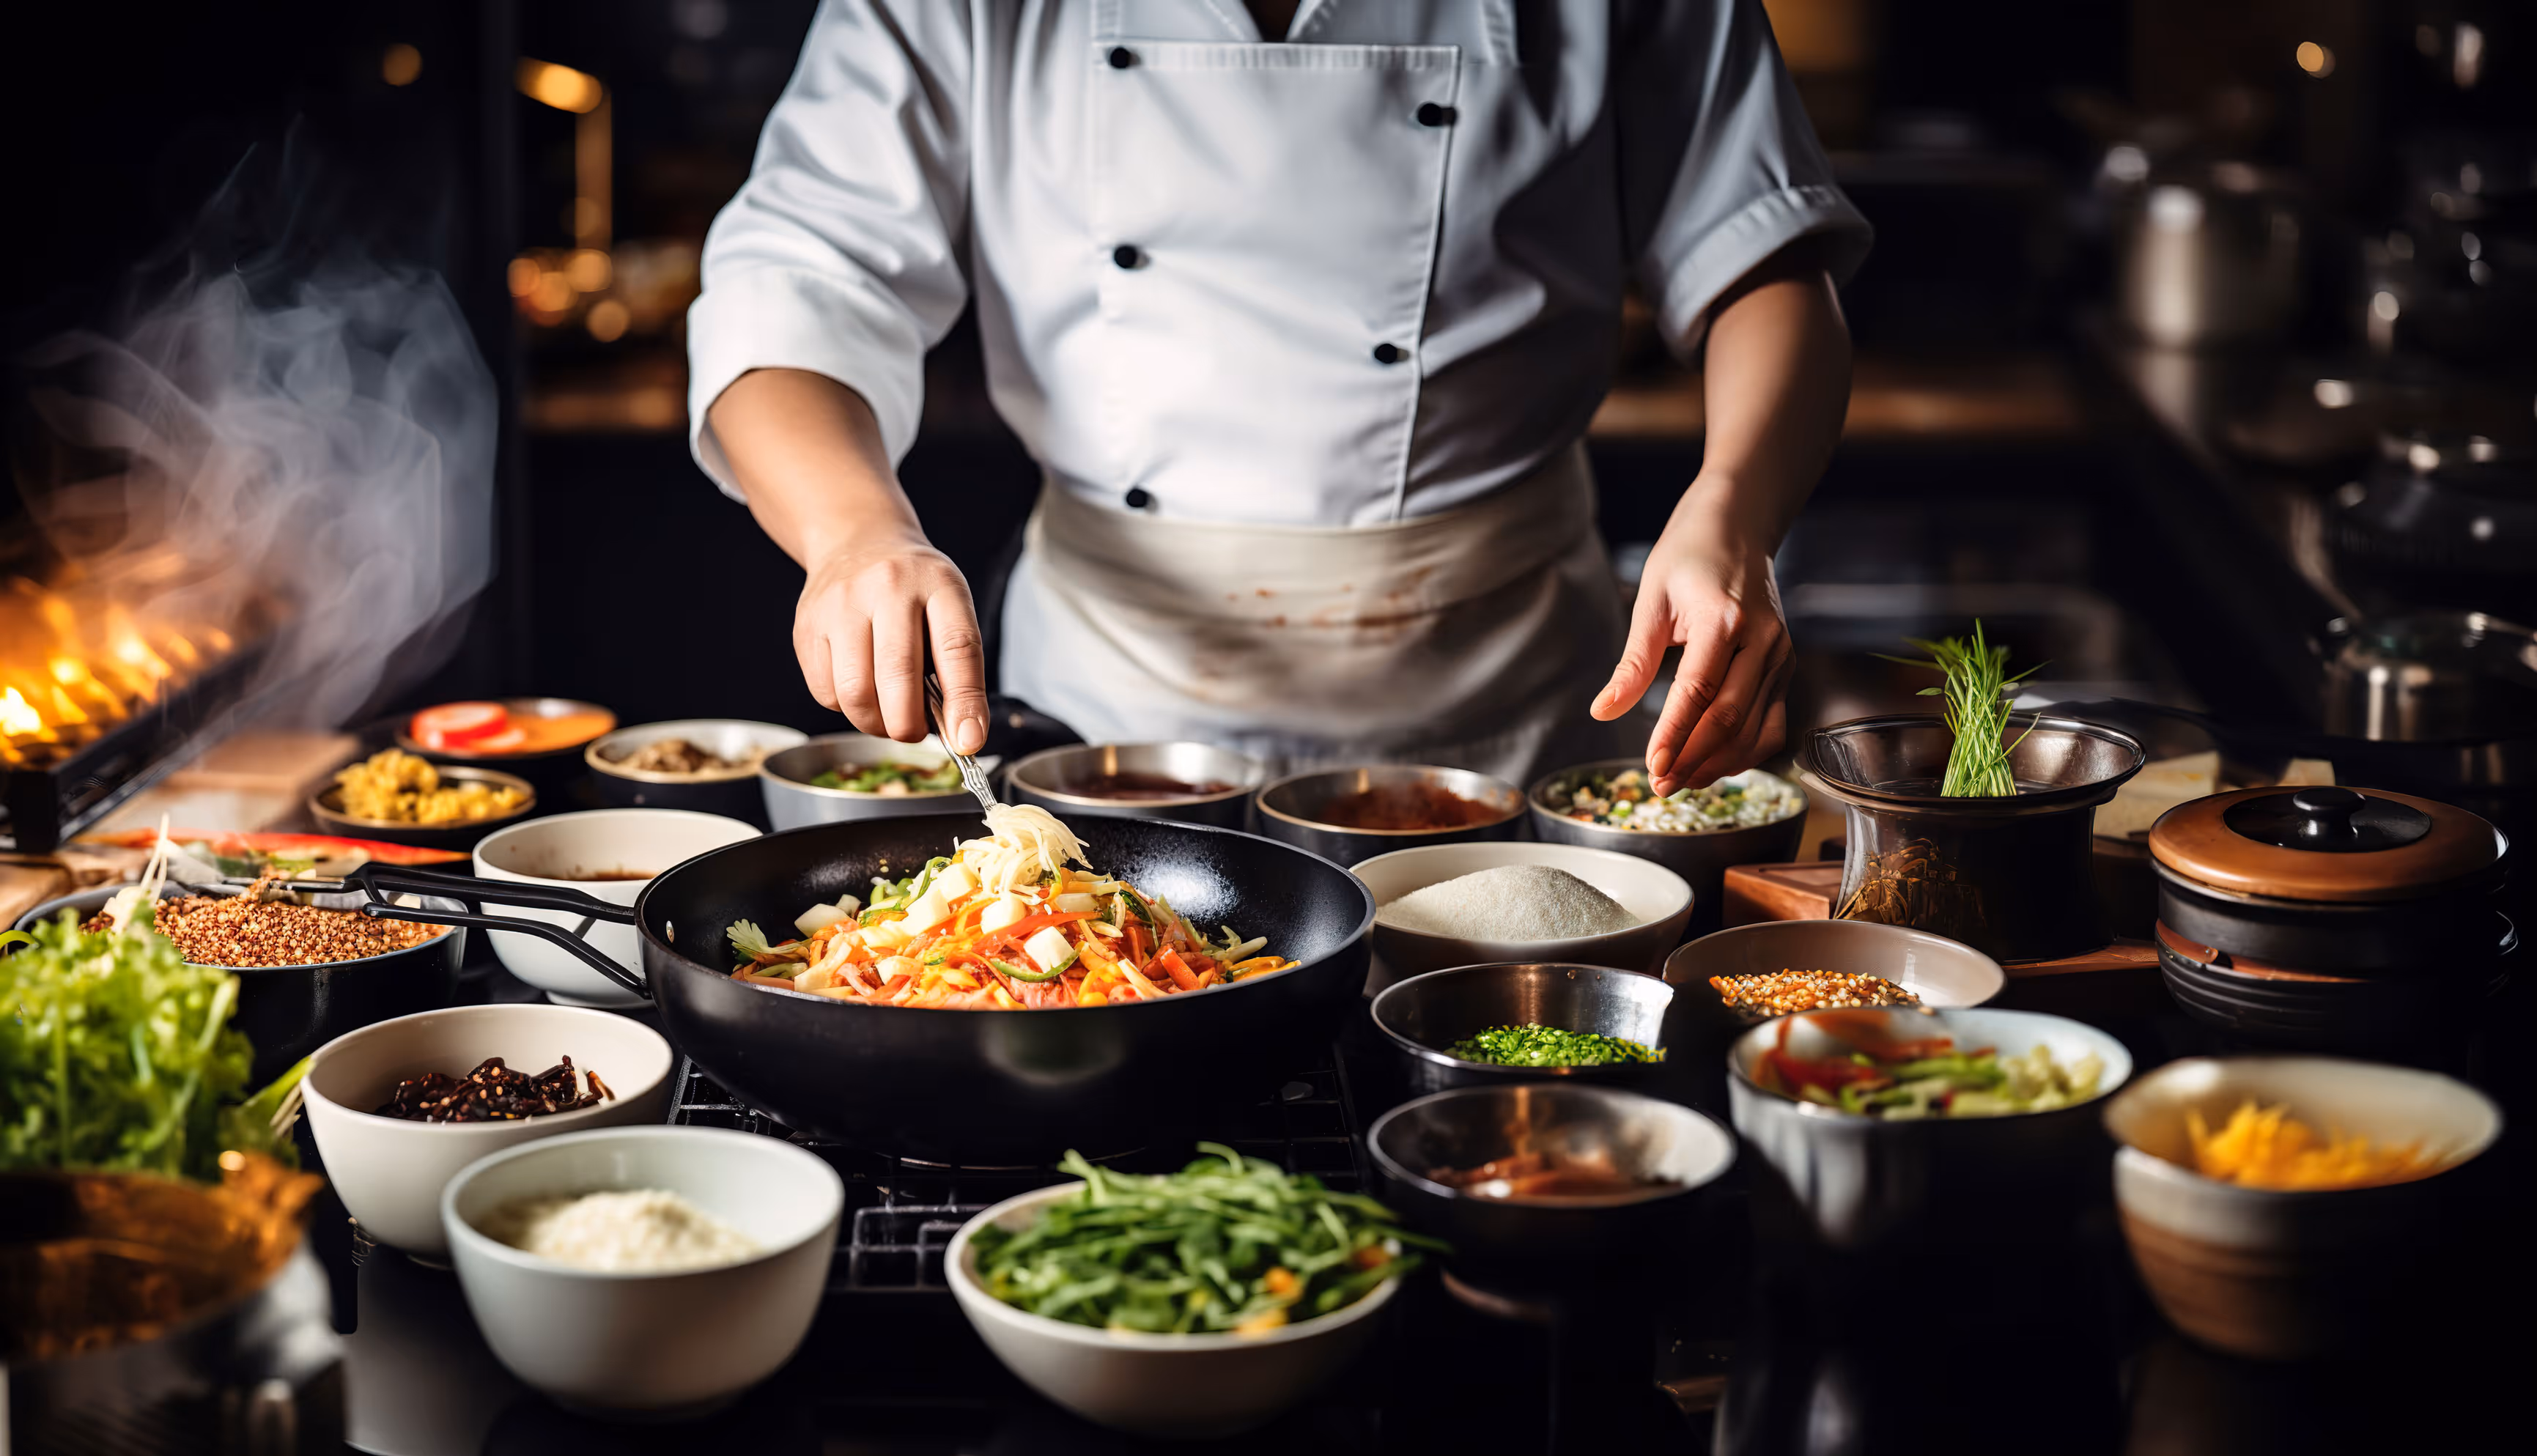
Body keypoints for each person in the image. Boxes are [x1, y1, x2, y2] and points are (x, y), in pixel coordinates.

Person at [690, 0, 1866, 794]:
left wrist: (1733, 509)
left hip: (1511, 697)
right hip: (1108, 705)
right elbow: (796, 279)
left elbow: (1761, 260)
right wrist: (853, 535)